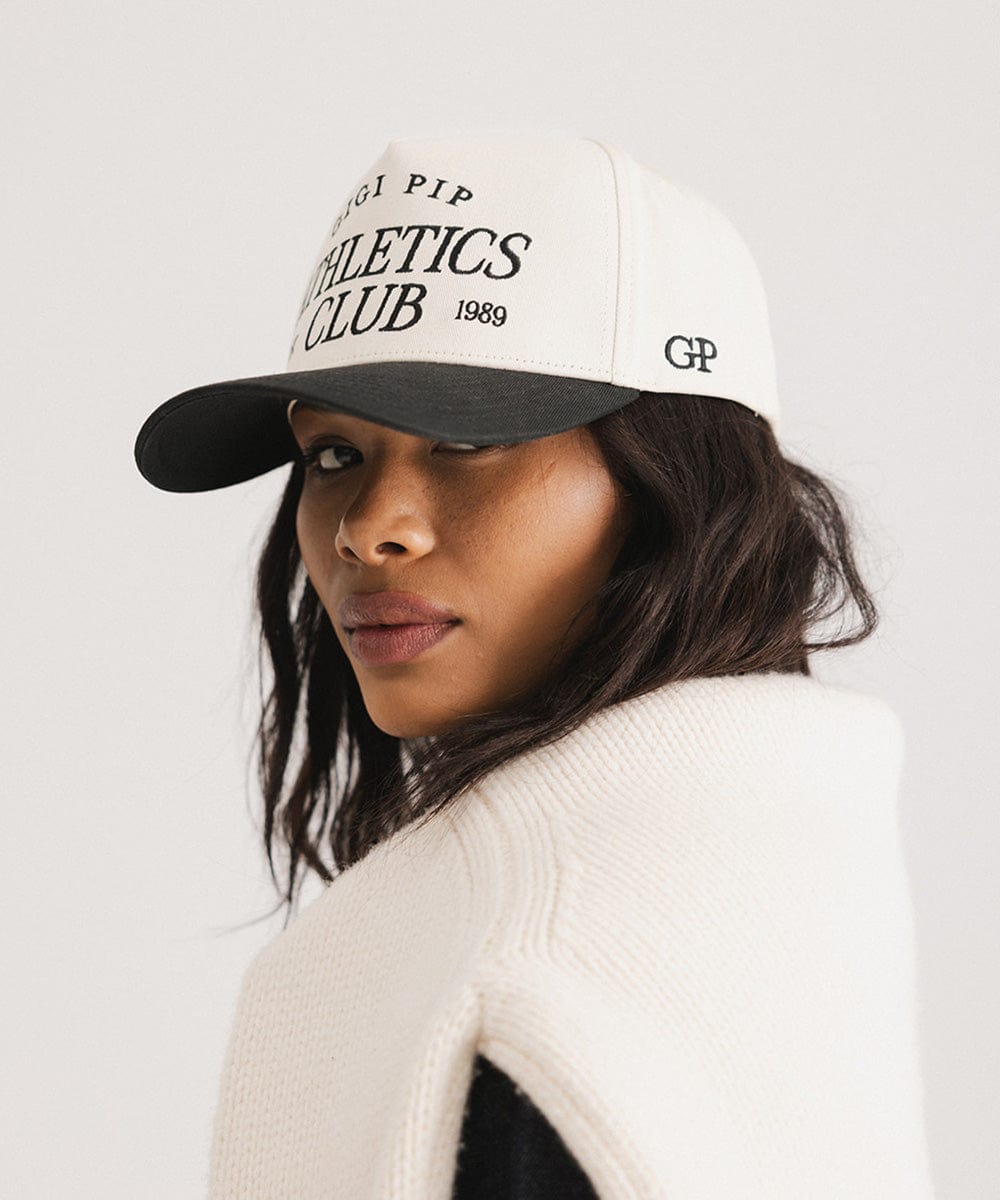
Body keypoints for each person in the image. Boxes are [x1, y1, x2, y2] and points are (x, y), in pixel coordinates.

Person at [133, 133, 936, 1199]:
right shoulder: (789, 867)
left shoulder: (528, 953)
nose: (367, 531)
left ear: (673, 476)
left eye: (464, 439)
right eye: (334, 455)